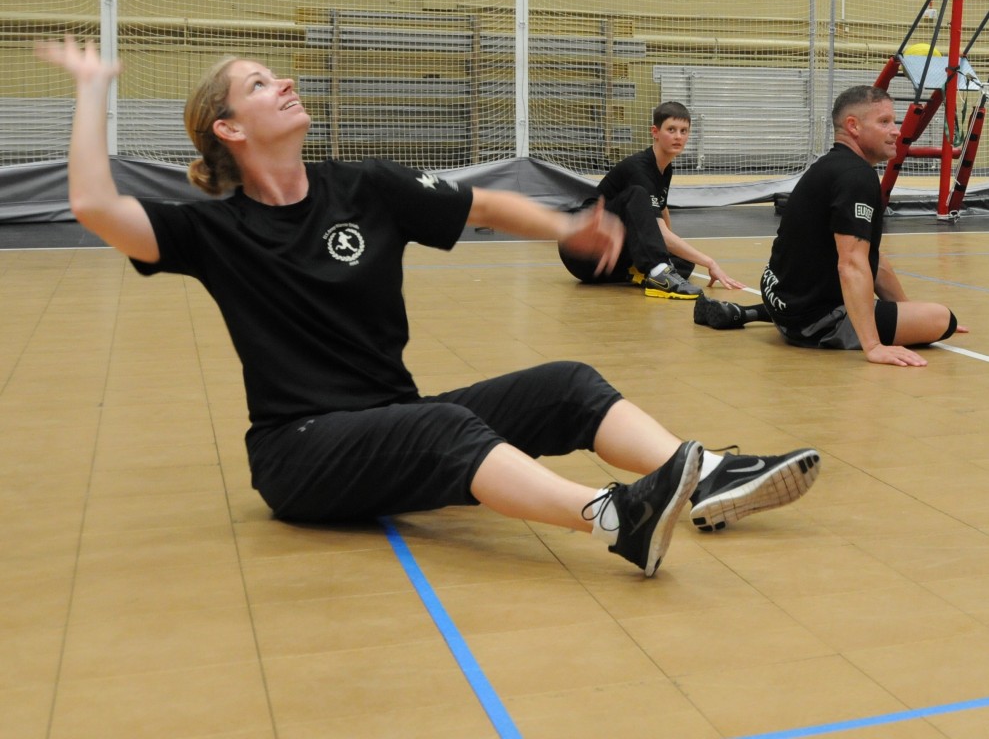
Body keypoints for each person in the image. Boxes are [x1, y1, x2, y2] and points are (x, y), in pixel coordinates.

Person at [37, 37, 821, 577]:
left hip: (392, 423)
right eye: (257, 83)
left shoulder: (362, 186)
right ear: (229, 128)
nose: (283, 83)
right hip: (301, 455)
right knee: (440, 426)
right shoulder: (214, 228)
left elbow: (482, 204)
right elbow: (94, 204)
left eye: (278, 75)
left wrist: (566, 225)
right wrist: (90, 90)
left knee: (565, 382)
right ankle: (616, 518)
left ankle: (710, 477)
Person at [695, 85, 965, 368]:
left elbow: (874, 260)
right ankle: (815, 325)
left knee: (923, 316)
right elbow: (851, 264)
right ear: (853, 126)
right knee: (942, 319)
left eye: (894, 122)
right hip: (810, 322)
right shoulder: (857, 177)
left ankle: (747, 313)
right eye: (884, 122)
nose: (896, 130)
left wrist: (907, 313)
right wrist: (874, 345)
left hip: (778, 297)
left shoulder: (831, 165)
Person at [558, 100, 745, 300]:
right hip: (583, 251)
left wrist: (671, 254)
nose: (678, 137)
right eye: (671, 130)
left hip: (608, 263)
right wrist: (710, 262)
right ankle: (658, 273)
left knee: (684, 261)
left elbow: (661, 210)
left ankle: (640, 273)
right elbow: (660, 233)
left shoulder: (665, 167)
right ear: (655, 132)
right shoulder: (638, 168)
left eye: (684, 131)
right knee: (636, 194)